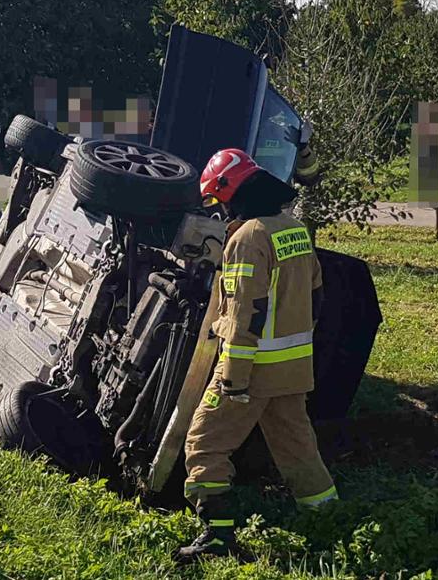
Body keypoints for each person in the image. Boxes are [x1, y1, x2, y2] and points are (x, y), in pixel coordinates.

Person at [176, 148, 337, 565]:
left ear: (233, 192)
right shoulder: (295, 229)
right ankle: (328, 518)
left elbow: (248, 311)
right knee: (297, 446)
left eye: (219, 199)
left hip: (251, 369)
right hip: (292, 368)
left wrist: (234, 377)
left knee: (204, 444)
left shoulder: (248, 238)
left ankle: (217, 536)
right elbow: (317, 296)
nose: (221, 208)